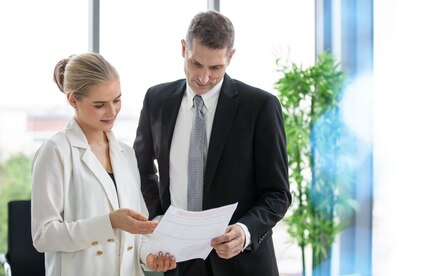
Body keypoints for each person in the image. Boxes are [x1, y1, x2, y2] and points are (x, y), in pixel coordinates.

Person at [133, 10, 291, 276]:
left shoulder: (260, 107)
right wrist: (158, 218)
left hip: (243, 265)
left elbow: (278, 193)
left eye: (216, 68)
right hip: (178, 262)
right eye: (196, 64)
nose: (204, 78)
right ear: (184, 49)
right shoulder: (156, 100)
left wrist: (245, 231)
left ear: (230, 57)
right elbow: (142, 169)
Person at [31, 52, 177, 276]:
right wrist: (109, 222)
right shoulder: (56, 151)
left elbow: (138, 232)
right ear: (73, 100)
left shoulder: (126, 154)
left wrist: (149, 256)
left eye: (117, 100)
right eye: (100, 105)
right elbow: (43, 236)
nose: (112, 112)